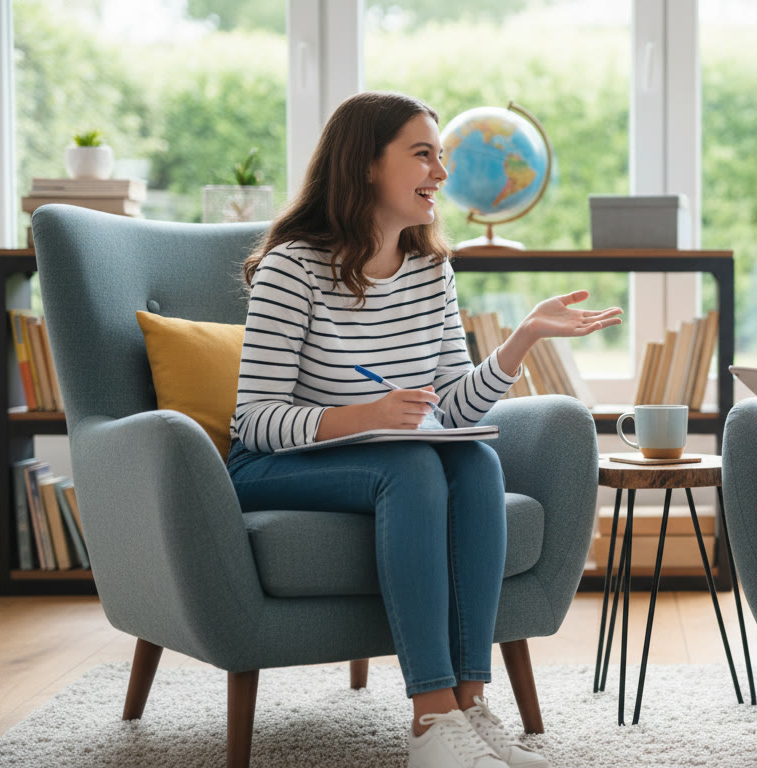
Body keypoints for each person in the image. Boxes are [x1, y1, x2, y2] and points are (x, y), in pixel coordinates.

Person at [226, 91, 622, 768]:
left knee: (473, 462)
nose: (440, 173)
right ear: (366, 166)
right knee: (408, 465)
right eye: (422, 155)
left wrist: (521, 339)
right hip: (271, 466)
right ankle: (430, 718)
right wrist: (366, 418)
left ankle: (467, 707)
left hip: (388, 458)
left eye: (440, 157)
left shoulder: (431, 268)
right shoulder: (292, 268)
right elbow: (253, 419)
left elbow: (457, 410)